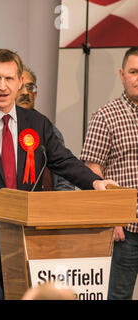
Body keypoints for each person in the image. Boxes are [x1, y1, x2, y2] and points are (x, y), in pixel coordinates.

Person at [0, 48, 117, 300]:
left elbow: (64, 161)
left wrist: (95, 182)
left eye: (9, 78)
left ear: (20, 82)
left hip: (24, 246)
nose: (2, 86)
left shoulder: (38, 124)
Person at [80, 46, 138, 300]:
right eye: (134, 71)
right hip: (126, 228)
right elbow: (92, 170)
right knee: (119, 296)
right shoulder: (105, 116)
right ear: (122, 74)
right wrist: (110, 217)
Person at [15, 66, 74, 191]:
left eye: (30, 87)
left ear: (35, 93)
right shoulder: (1, 127)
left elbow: (65, 176)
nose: (25, 92)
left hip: (45, 204)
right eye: (20, 87)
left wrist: (60, 205)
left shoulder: (48, 129)